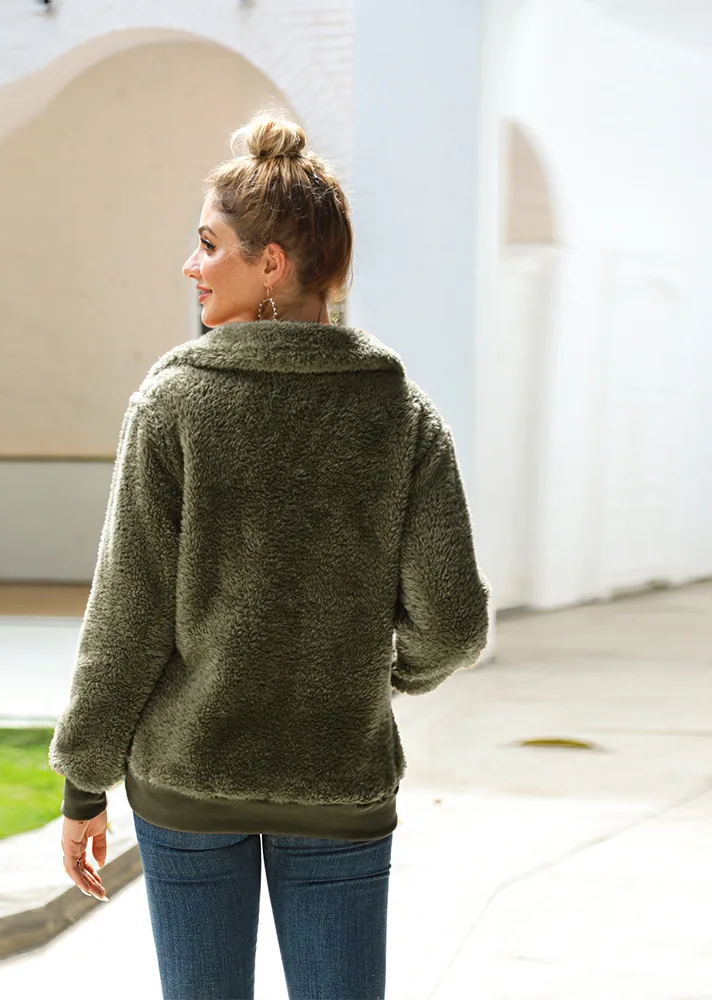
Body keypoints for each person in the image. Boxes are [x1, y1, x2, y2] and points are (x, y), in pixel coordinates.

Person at [48, 112, 490, 1000]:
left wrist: (84, 785)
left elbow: (127, 616)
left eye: (210, 244)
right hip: (338, 777)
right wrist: (380, 680)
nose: (192, 264)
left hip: (188, 783)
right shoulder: (399, 413)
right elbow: (454, 621)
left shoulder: (173, 404)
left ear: (272, 264)